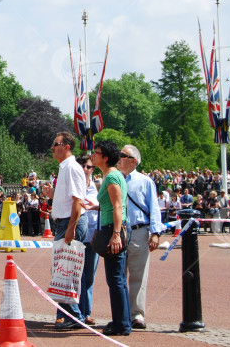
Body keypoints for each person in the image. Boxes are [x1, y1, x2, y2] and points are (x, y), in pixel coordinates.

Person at [43, 131, 87, 330]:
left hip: (69, 224)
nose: (52, 147)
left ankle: (74, 317)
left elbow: (78, 201)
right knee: (62, 271)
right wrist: (52, 195)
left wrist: (71, 229)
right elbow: (70, 200)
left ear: (66, 146)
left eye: (55, 143)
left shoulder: (71, 168)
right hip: (64, 223)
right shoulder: (65, 168)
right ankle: (68, 315)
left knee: (65, 271)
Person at [118, 145, 163, 330]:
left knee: (138, 275)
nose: (119, 158)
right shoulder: (114, 178)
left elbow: (154, 207)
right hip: (118, 231)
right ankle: (121, 314)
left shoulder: (145, 181)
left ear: (133, 160)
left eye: (123, 155)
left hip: (138, 231)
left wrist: (155, 232)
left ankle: (137, 314)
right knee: (118, 276)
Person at [92, 140, 131, 336]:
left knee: (115, 278)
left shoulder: (112, 177)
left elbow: (118, 206)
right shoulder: (113, 175)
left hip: (113, 228)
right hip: (114, 226)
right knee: (118, 279)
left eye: (96, 152)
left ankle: (121, 324)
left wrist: (116, 234)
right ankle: (121, 321)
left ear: (105, 157)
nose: (93, 155)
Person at [77, 154, 99, 326]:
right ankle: (77, 311)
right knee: (77, 275)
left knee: (89, 275)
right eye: (83, 166)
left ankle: (87, 311)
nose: (86, 169)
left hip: (93, 234)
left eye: (89, 166)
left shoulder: (96, 185)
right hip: (78, 233)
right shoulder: (74, 184)